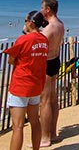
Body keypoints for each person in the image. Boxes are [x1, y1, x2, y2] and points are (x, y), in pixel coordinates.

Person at [4, 11, 49, 150]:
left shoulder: (23, 39)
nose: (24, 23)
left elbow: (11, 60)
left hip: (21, 85)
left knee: (17, 126)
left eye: (25, 21)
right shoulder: (43, 40)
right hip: (36, 85)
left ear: (30, 22)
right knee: (35, 121)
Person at [39, 0, 65, 147]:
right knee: (53, 98)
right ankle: (53, 134)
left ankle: (45, 137)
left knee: (45, 101)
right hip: (55, 60)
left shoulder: (48, 29)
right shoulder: (60, 24)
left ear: (48, 9)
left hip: (47, 63)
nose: (41, 10)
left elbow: (37, 45)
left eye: (42, 7)